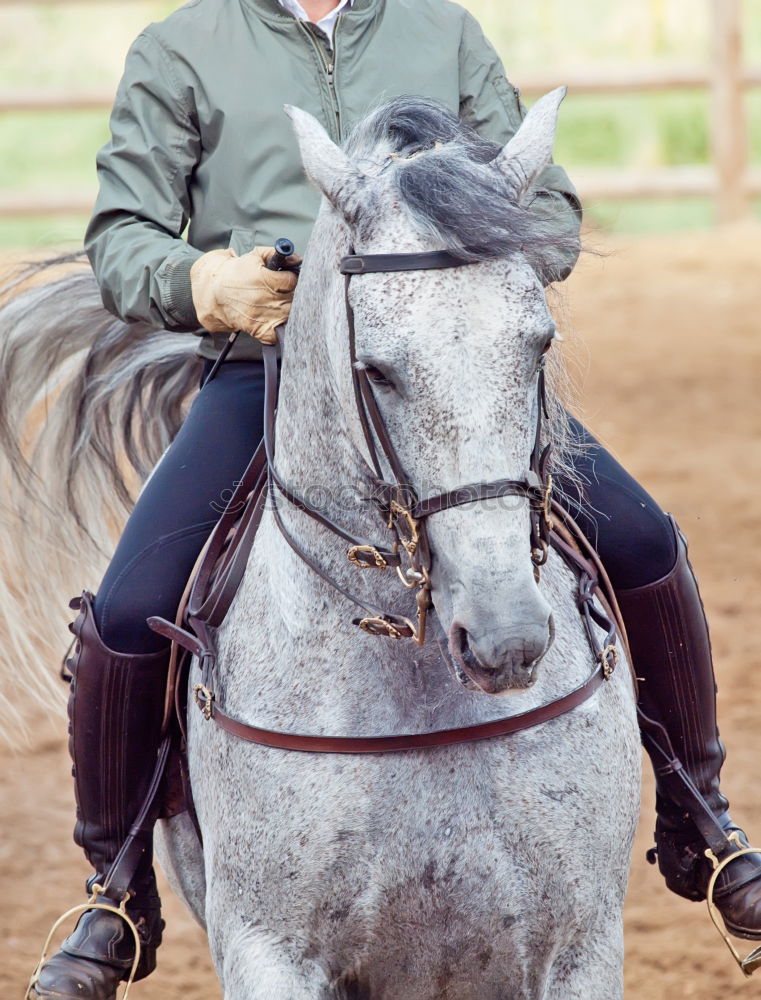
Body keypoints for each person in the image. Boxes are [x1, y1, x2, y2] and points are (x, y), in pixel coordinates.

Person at [28, 1, 761, 997]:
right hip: (269, 373)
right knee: (126, 609)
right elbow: (124, 237)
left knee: (639, 541)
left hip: (461, 370)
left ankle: (699, 818)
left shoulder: (443, 32)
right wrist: (207, 281)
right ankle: (114, 893)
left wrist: (488, 261)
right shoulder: (179, 50)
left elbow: (546, 208)